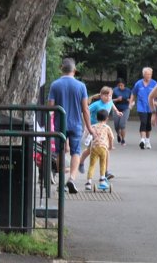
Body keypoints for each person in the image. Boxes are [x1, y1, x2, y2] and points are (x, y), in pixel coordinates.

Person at [47, 58, 95, 194]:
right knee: (76, 152)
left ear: (61, 69)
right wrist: (90, 128)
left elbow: (50, 107)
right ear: (74, 70)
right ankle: (72, 179)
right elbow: (85, 109)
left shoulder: (55, 85)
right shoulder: (81, 86)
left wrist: (47, 125)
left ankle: (61, 182)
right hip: (76, 125)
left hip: (59, 124)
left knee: (60, 152)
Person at [80, 86, 121, 178]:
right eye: (106, 96)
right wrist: (87, 125)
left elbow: (112, 105)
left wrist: (117, 112)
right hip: (93, 128)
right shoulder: (96, 104)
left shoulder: (110, 101)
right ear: (101, 95)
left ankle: (106, 172)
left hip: (103, 128)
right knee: (90, 150)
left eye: (110, 96)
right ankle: (80, 162)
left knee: (105, 149)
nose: (108, 98)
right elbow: (85, 112)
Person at [85, 109, 115, 191]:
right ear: (107, 119)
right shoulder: (107, 127)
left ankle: (88, 182)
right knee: (103, 163)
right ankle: (102, 180)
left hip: (94, 148)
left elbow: (88, 136)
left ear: (96, 118)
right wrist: (111, 146)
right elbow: (111, 138)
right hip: (103, 148)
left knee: (92, 165)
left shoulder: (93, 126)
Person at [130, 67, 157, 150]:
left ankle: (147, 140)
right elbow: (133, 93)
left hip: (151, 107)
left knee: (148, 124)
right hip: (141, 106)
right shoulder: (138, 84)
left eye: (150, 74)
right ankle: (142, 140)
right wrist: (131, 102)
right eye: (147, 74)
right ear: (143, 74)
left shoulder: (154, 83)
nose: (148, 76)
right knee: (143, 122)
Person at [112, 78, 132, 145]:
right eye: (119, 85)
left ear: (124, 85)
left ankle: (123, 140)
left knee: (122, 124)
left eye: (121, 85)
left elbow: (132, 100)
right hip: (116, 108)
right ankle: (118, 134)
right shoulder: (114, 90)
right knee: (116, 125)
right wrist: (117, 99)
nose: (120, 87)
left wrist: (130, 102)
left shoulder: (128, 91)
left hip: (125, 108)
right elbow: (110, 100)